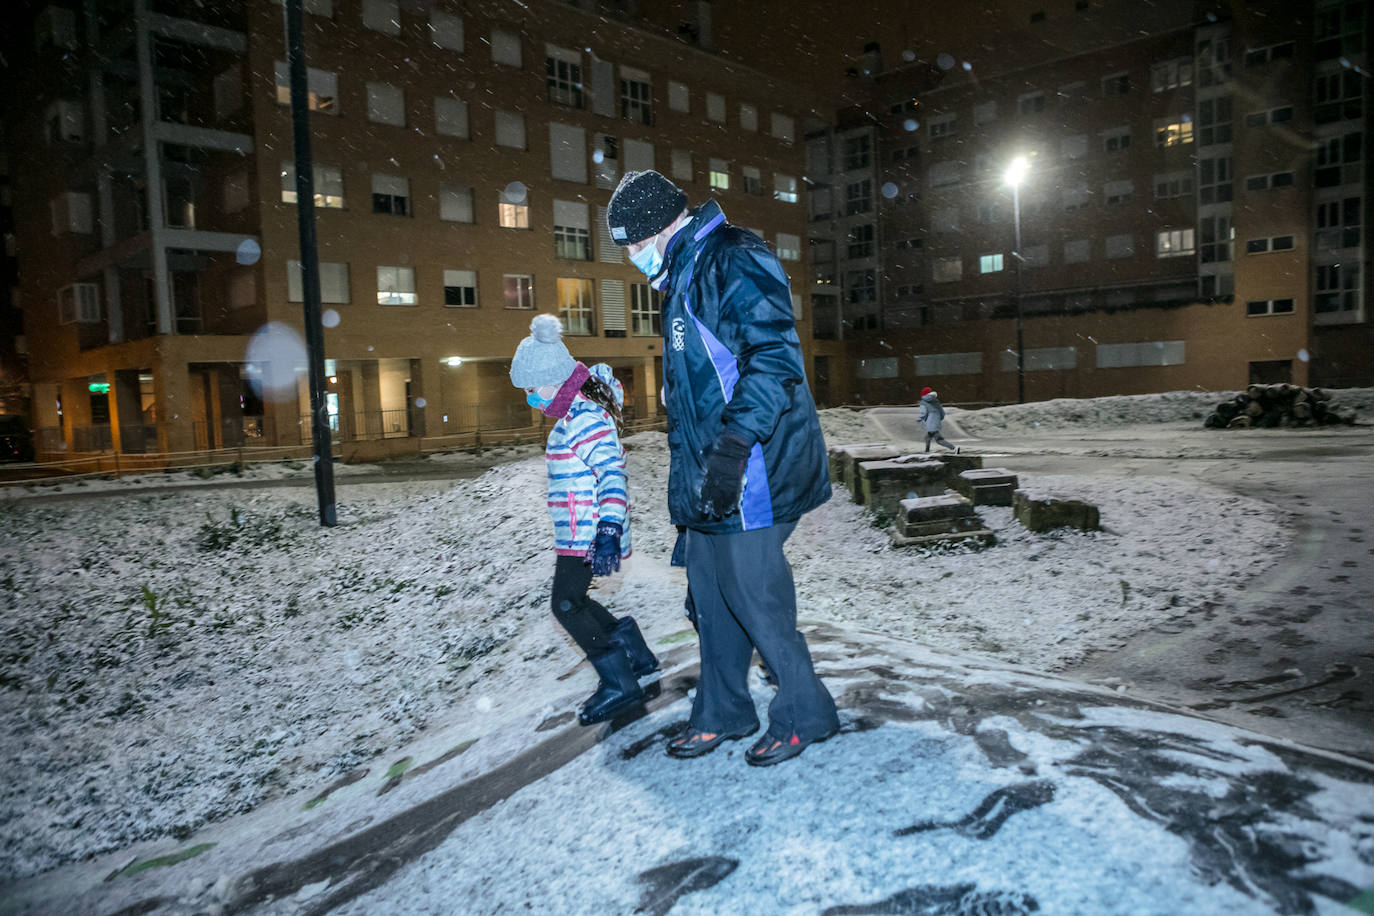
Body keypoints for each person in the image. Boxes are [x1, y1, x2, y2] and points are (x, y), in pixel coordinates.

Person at [607, 169, 838, 767]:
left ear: (660, 227)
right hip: (712, 474)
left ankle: (805, 714)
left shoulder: (732, 257)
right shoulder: (682, 273)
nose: (631, 258)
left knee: (754, 596)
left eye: (632, 244)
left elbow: (773, 358)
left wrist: (734, 449)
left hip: (754, 467)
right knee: (710, 596)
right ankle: (723, 712)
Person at [509, 314, 658, 725]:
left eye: (534, 389)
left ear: (555, 380)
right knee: (577, 600)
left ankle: (619, 683)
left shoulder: (584, 418)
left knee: (565, 606)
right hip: (580, 530)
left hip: (589, 532)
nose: (531, 399)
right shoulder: (572, 416)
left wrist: (608, 529)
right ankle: (635, 655)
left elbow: (612, 473)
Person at [919, 386, 960, 454]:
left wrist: (923, 419)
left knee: (939, 440)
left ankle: (954, 448)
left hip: (931, 424)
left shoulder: (923, 402)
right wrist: (937, 419)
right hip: (935, 423)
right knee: (927, 438)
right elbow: (942, 413)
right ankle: (927, 452)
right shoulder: (936, 401)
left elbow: (924, 414)